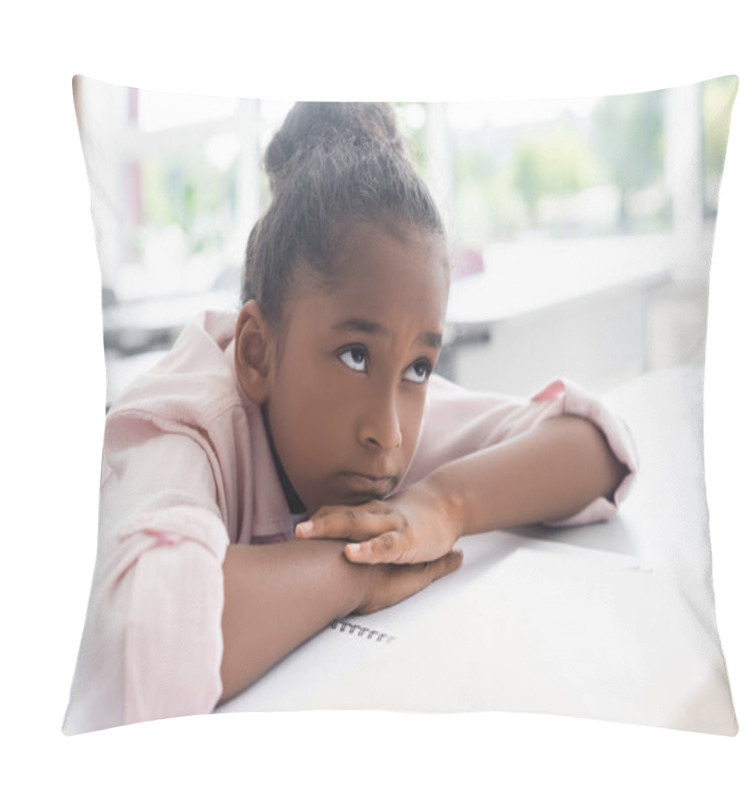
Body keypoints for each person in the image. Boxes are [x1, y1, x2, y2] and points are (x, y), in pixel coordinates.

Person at [63, 102, 637, 734]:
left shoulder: (372, 415)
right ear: (257, 352)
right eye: (356, 355)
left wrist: (444, 505)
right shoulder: (181, 424)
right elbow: (145, 641)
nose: (388, 433)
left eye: (419, 366)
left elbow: (594, 446)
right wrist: (359, 571)